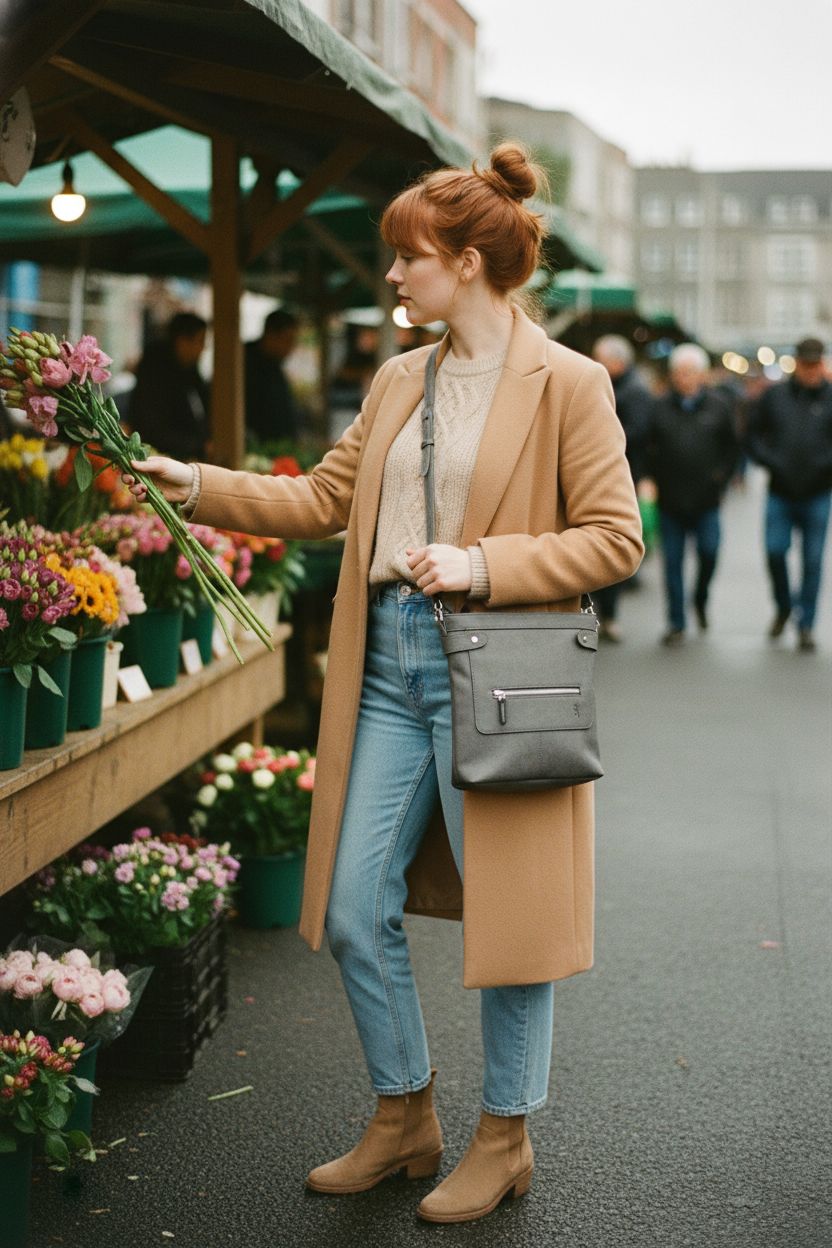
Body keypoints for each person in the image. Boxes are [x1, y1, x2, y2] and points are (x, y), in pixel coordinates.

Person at [124, 143, 643, 1225]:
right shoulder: (400, 376)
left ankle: (505, 1138)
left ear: (467, 259)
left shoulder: (570, 382)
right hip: (387, 667)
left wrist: (483, 564)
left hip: (495, 670)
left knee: (514, 921)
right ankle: (405, 1119)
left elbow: (612, 539)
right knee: (353, 910)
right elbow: (322, 500)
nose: (394, 277)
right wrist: (198, 483)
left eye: (408, 258)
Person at [646, 343, 739, 645]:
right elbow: (646, 447)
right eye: (678, 373)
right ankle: (677, 621)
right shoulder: (659, 407)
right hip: (670, 501)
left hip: (706, 500)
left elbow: (732, 447)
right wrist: (648, 478)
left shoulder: (718, 406)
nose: (683, 378)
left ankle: (700, 598)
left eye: (689, 372)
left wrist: (721, 478)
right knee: (672, 563)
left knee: (709, 553)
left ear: (702, 375)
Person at [746, 336, 832, 651]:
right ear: (796, 363)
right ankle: (784, 605)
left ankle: (806, 623)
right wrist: (769, 460)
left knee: (812, 560)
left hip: (818, 492)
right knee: (775, 551)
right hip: (781, 490)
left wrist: (825, 465)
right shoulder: (776, 397)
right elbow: (753, 433)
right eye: (806, 364)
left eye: (815, 364)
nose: (811, 370)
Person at [591, 334, 651, 640]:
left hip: (620, 478)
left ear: (617, 361)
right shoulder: (624, 386)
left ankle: (609, 612)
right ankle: (603, 610)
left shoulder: (634, 391)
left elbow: (637, 433)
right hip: (612, 476)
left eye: (601, 358)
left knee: (610, 542)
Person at [127, 312, 210, 460]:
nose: (203, 348)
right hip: (157, 455)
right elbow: (153, 427)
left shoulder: (189, 371)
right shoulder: (156, 371)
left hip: (182, 452)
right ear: (182, 341)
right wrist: (197, 445)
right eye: (201, 341)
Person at [244, 308, 303, 445]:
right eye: (287, 340)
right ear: (270, 335)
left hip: (279, 447)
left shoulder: (274, 364)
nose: (291, 347)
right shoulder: (244, 362)